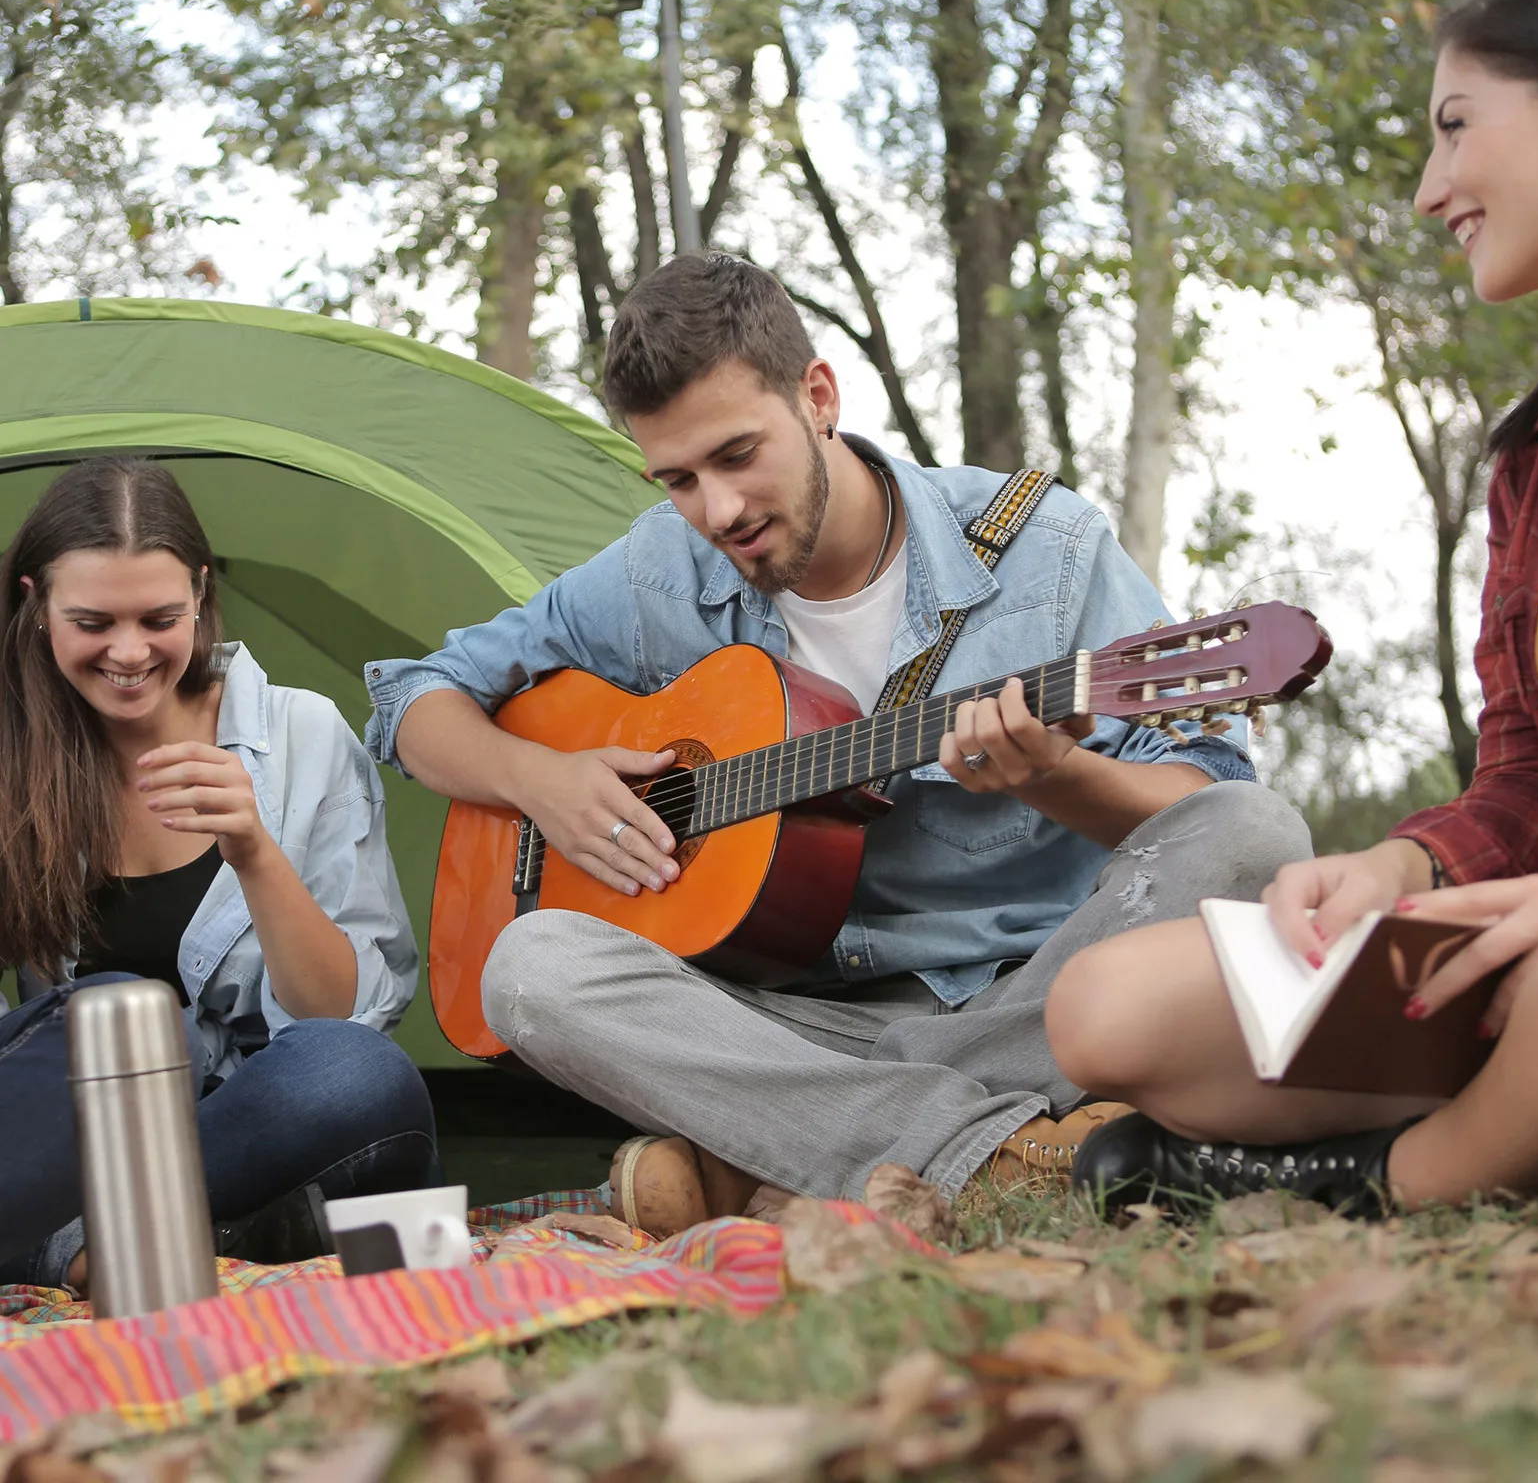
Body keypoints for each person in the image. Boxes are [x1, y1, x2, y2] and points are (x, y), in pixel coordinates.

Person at [364, 252, 1311, 1237]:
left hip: (1045, 994)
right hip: (803, 1023)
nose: (716, 511)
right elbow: (410, 699)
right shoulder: (660, 571)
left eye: (737, 456)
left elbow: (1202, 796)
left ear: (817, 396)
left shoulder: (1048, 549)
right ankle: (989, 1149)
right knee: (526, 970)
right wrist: (540, 779)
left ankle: (808, 1145)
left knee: (1254, 833)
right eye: (677, 478)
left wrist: (1058, 777)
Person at [1051, 0, 1538, 1217]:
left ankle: (1391, 1182)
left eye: (1458, 125)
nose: (1428, 185)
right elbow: (1534, 782)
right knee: (1110, 1009)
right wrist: (1400, 874)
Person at [0, 458, 439, 1283]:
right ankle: (169, 1243)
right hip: (71, 1147)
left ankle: (114, 1251)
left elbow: (342, 1017)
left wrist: (254, 851)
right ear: (36, 604)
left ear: (201, 595)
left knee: (357, 1074)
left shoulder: (302, 734)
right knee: (119, 1022)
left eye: (158, 617)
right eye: (93, 621)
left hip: (243, 1133)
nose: (129, 653)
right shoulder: (9, 759)